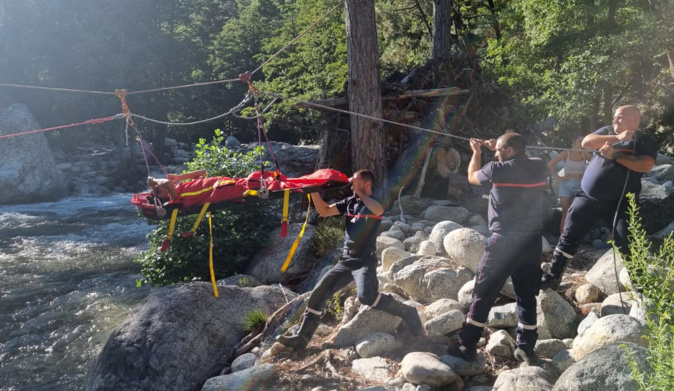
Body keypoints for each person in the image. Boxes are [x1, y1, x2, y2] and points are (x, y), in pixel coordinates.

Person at [276, 169, 422, 351]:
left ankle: (407, 312)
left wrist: (360, 193)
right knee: (319, 292)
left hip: (364, 261)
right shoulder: (350, 202)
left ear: (367, 184)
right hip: (346, 260)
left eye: (355, 180)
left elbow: (378, 210)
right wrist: (312, 190)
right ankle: (301, 338)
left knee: (366, 296)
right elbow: (324, 211)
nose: (351, 181)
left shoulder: (374, 202)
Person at [447, 133, 547, 364]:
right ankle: (526, 347)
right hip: (532, 241)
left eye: (500, 150)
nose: (496, 153)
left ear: (509, 150)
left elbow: (472, 176)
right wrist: (501, 147)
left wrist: (477, 152)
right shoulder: (539, 166)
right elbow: (523, 157)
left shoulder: (497, 169)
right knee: (526, 294)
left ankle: (467, 346)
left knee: (484, 293)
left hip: (504, 241)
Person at [540, 105, 658, 290]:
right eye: (615, 116)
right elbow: (587, 142)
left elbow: (646, 165)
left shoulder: (645, 140)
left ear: (634, 120)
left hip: (621, 202)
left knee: (627, 241)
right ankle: (553, 278)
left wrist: (616, 155)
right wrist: (617, 138)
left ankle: (641, 285)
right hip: (589, 197)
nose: (615, 120)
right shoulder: (607, 132)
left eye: (621, 117)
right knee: (569, 235)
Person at [547, 134, 592, 234]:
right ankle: (562, 237)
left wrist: (588, 178)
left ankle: (577, 236)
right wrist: (558, 177)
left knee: (578, 211)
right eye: (580, 141)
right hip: (566, 184)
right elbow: (550, 164)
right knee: (565, 212)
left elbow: (595, 165)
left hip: (580, 185)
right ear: (573, 142)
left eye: (583, 141)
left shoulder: (586, 154)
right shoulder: (566, 153)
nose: (582, 144)